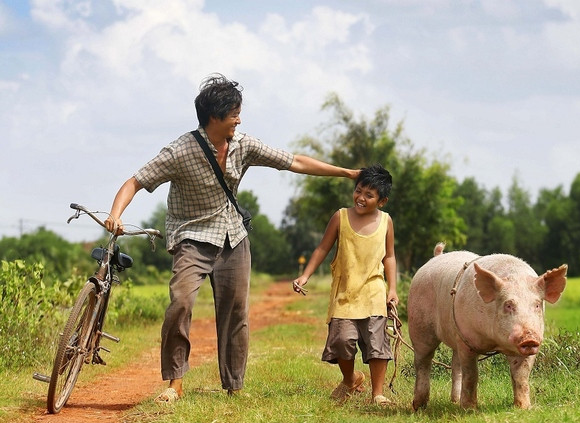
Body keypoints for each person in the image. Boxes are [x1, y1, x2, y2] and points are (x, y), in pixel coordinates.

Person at [104, 74, 360, 403]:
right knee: (180, 303)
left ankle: (234, 386)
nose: (239, 120)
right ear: (214, 117)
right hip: (192, 237)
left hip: (233, 236)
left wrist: (345, 173)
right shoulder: (179, 151)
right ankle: (175, 384)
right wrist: (116, 214)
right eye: (234, 114)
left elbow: (293, 161)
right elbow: (134, 182)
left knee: (236, 313)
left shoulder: (244, 144)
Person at [293, 164, 398, 406]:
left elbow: (389, 256)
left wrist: (392, 289)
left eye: (369, 195)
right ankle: (350, 379)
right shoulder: (340, 217)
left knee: (377, 344)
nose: (361, 198)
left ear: (382, 201)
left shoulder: (386, 222)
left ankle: (378, 394)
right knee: (341, 340)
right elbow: (322, 248)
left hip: (373, 291)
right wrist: (305, 275)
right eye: (358, 191)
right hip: (345, 292)